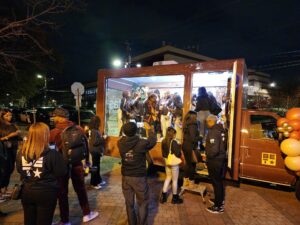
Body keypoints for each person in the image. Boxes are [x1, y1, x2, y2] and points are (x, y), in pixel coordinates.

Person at [50, 108, 99, 225]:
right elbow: (85, 146)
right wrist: (87, 161)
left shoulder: (54, 132)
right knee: (81, 189)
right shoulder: (79, 129)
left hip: (61, 165)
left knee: (62, 193)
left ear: (59, 117)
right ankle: (87, 214)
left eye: (54, 116)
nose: (53, 118)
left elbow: (49, 151)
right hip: (77, 163)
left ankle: (65, 220)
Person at [16, 122, 67, 225]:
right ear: (45, 135)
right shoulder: (52, 154)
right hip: (46, 193)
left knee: (29, 221)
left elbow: (19, 170)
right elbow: (62, 172)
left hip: (27, 192)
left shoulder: (21, 153)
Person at [118, 122, 157, 225]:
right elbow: (153, 141)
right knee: (143, 203)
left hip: (126, 177)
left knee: (129, 203)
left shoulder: (120, 142)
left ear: (124, 131)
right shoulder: (141, 143)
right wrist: (149, 130)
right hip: (139, 177)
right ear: (136, 131)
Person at [204, 115, 227, 214]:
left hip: (215, 160)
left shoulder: (213, 131)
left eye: (207, 122)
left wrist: (207, 155)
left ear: (210, 121)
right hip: (220, 159)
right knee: (219, 182)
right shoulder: (221, 130)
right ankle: (219, 200)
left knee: (216, 182)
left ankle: (218, 207)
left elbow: (214, 150)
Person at [160, 126, 183, 204]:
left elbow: (163, 153)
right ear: (173, 134)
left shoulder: (163, 141)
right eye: (175, 134)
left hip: (167, 162)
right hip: (173, 163)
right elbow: (178, 154)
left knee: (168, 178)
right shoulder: (173, 142)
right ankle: (175, 198)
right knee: (175, 180)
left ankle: (163, 197)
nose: (175, 135)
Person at [0, 109, 20, 196]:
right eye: (7, 115)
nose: (9, 117)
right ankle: (1, 189)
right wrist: (9, 136)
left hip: (13, 149)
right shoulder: (0, 125)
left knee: (10, 169)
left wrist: (19, 136)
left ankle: (5, 188)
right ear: (2, 116)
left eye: (10, 115)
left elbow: (18, 137)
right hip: (3, 151)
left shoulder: (13, 125)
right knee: (4, 169)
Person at [182, 110, 200, 188]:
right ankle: (191, 183)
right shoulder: (193, 124)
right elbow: (193, 138)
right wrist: (200, 137)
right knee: (192, 165)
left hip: (185, 145)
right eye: (196, 116)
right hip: (190, 147)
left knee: (188, 164)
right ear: (193, 116)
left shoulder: (186, 123)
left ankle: (185, 181)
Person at [88, 116, 106, 189]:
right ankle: (94, 183)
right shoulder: (94, 131)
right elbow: (95, 142)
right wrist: (103, 138)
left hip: (95, 151)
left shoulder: (92, 130)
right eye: (99, 122)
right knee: (95, 167)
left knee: (96, 166)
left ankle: (98, 180)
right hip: (95, 151)